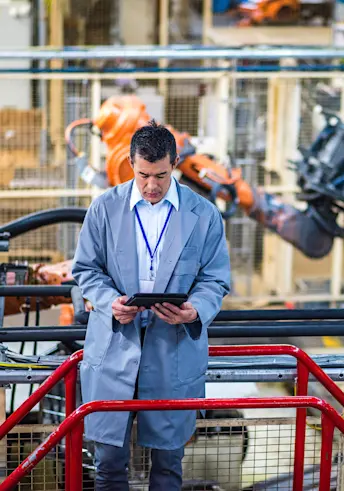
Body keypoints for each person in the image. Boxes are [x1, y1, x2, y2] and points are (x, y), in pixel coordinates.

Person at [72, 120, 231, 491]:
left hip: (172, 348)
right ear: (131, 164)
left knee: (168, 466)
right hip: (114, 347)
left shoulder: (203, 215)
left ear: (174, 163)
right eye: (143, 174)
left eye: (160, 175)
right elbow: (86, 269)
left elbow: (215, 279)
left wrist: (195, 309)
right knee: (109, 465)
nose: (151, 185)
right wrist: (111, 302)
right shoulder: (104, 210)